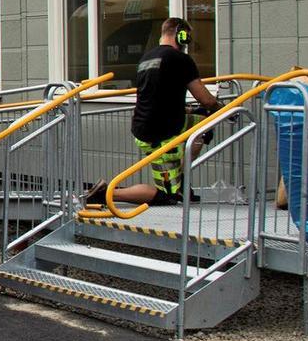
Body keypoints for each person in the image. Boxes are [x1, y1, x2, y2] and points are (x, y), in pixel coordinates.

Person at [89, 17, 225, 207]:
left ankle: (181, 181)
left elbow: (157, 95)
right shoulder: (180, 59)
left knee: (203, 122)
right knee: (167, 196)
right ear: (181, 35)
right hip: (162, 132)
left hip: (144, 126)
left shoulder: (147, 58)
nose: (188, 44)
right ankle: (108, 193)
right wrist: (227, 110)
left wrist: (189, 109)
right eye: (187, 38)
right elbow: (207, 100)